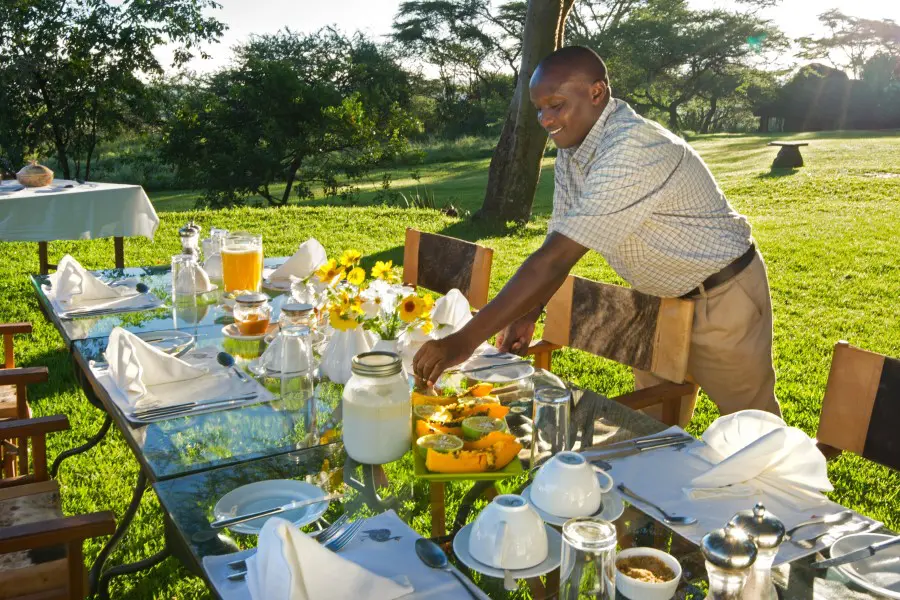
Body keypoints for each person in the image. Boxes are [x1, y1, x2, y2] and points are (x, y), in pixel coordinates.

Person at [412, 45, 780, 423]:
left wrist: (463, 341)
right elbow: (559, 238)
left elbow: (554, 260)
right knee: (652, 431)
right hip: (658, 303)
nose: (545, 118)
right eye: (539, 108)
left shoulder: (632, 147)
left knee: (756, 434)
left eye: (555, 105)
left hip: (720, 297)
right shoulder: (574, 150)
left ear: (596, 93)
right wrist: (531, 311)